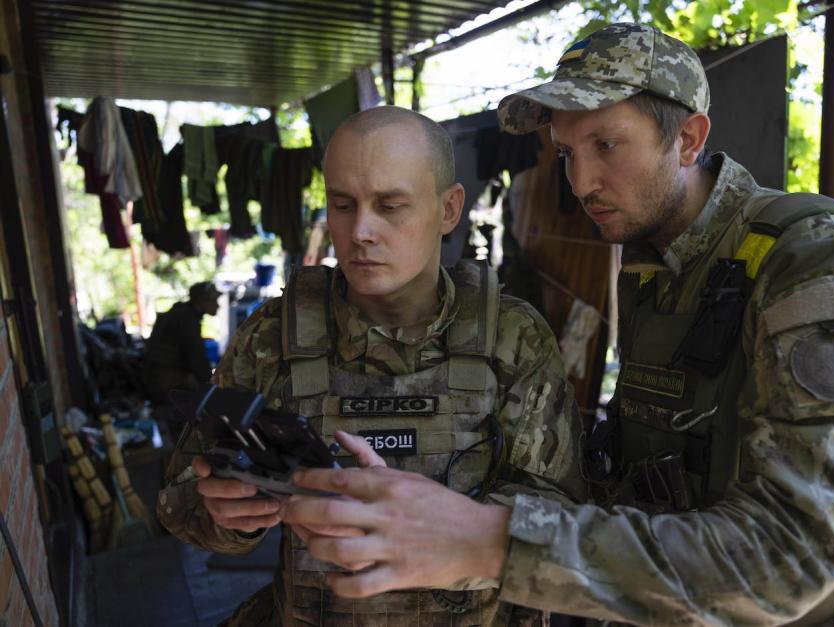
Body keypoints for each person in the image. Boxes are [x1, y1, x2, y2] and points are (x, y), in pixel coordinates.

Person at [281, 23, 834, 626]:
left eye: (605, 145)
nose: (579, 183)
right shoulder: (656, 260)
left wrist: (491, 540)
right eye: (568, 153)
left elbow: (793, 557)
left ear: (687, 139)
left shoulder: (806, 261)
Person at [156, 105, 586, 626]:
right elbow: (181, 498)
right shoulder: (272, 336)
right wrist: (231, 515)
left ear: (449, 209)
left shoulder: (512, 339)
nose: (360, 230)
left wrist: (448, 521)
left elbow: (566, 521)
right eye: (343, 204)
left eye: (390, 205)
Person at [143, 280, 220, 404]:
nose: (218, 305)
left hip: (156, 375)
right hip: (164, 379)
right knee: (208, 398)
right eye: (214, 300)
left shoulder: (182, 313)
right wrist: (212, 382)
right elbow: (196, 358)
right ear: (201, 301)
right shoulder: (186, 319)